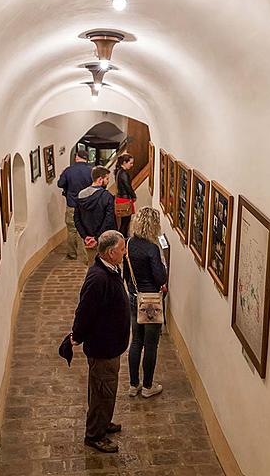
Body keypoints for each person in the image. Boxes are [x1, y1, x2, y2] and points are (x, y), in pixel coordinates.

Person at [71, 231, 130, 453]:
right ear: (111, 252)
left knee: (107, 388)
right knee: (101, 391)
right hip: (103, 347)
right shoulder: (98, 278)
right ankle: (95, 434)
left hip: (112, 345)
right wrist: (76, 335)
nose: (125, 253)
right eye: (122, 249)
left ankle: (104, 422)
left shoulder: (111, 269)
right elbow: (85, 311)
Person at [123, 207, 167, 398]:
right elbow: (160, 278)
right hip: (151, 302)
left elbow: (126, 274)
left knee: (136, 341)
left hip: (134, 296)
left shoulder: (129, 243)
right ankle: (148, 386)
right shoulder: (152, 248)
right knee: (151, 344)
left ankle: (134, 384)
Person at [74, 166, 116, 266]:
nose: (108, 181)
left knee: (92, 266)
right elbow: (109, 220)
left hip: (88, 239)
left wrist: (85, 237)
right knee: (106, 266)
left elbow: (77, 218)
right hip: (104, 238)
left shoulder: (81, 195)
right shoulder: (107, 196)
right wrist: (97, 238)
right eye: (107, 179)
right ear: (100, 179)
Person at [57, 149, 92, 261]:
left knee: (72, 229)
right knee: (87, 228)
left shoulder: (69, 170)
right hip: (87, 205)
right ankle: (86, 253)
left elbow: (60, 184)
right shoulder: (91, 170)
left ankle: (72, 253)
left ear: (77, 157)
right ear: (86, 158)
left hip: (72, 204)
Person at [114, 153, 136, 237]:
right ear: (124, 162)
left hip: (121, 199)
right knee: (125, 223)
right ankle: (123, 239)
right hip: (125, 200)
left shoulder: (119, 171)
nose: (132, 165)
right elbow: (128, 186)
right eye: (130, 163)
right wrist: (134, 196)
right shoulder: (123, 173)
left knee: (123, 222)